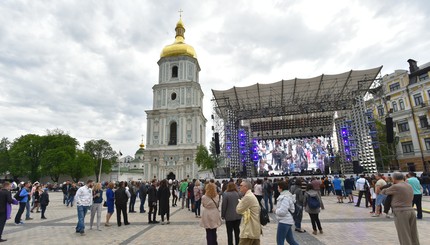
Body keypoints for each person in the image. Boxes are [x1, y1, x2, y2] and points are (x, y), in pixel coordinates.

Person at [381, 172, 420, 245]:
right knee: (413, 233)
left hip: (401, 211)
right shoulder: (409, 186)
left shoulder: (396, 187)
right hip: (410, 210)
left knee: (404, 234)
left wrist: (390, 185)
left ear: (394, 178)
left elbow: (384, 192)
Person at [236, 180, 261, 245]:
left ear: (246, 187)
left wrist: (240, 202)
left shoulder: (248, 197)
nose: (239, 187)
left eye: (241, 185)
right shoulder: (250, 195)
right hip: (254, 228)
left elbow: (238, 210)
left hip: (249, 230)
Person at [276, 180, 299, 245]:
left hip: (284, 221)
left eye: (278, 187)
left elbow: (283, 211)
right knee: (290, 240)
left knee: (280, 242)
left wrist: (275, 210)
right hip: (287, 221)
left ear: (281, 188)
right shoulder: (288, 195)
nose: (277, 188)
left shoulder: (284, 197)